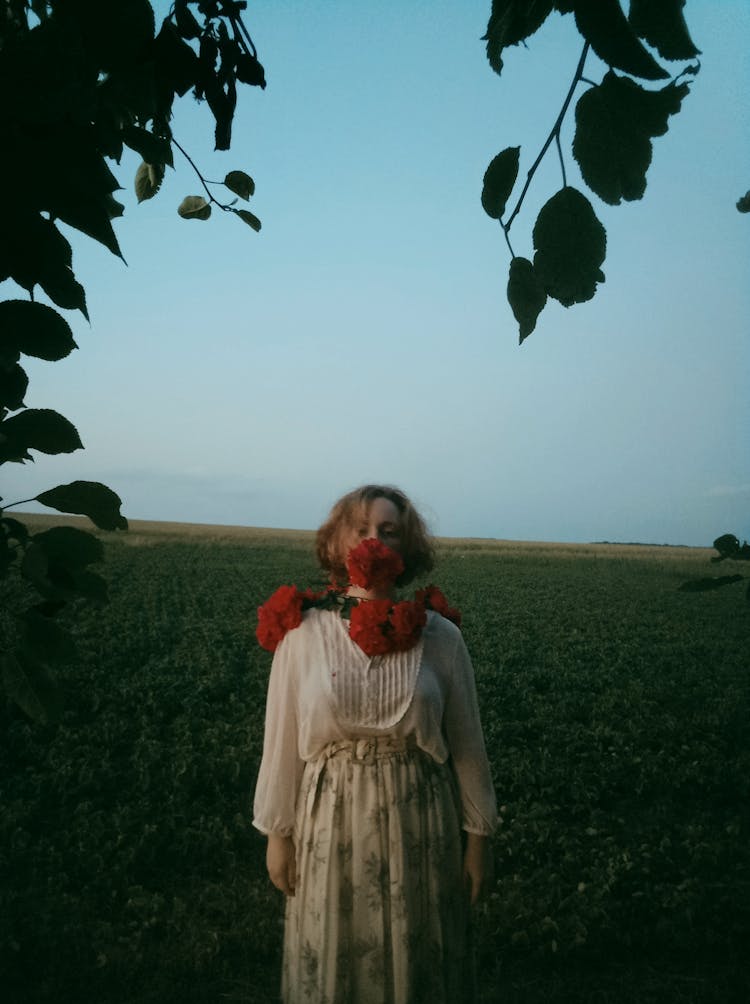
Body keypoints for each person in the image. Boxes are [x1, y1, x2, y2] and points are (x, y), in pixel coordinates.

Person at [253, 485, 498, 1004]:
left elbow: (468, 744)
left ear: (406, 547)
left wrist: (479, 836)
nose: (375, 542)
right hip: (329, 824)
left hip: (421, 826)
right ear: (338, 543)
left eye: (389, 532)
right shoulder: (303, 635)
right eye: (362, 530)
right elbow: (281, 740)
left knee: (419, 965)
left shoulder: (441, 639)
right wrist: (279, 832)